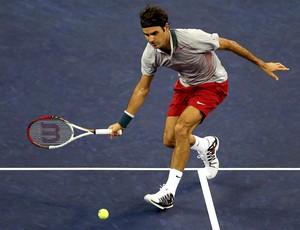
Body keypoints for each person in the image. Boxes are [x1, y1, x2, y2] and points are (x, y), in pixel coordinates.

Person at [108, 5, 289, 210]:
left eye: (154, 33)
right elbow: (142, 89)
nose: (150, 39)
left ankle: (168, 193)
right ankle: (205, 146)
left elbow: (229, 44)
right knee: (170, 140)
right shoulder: (151, 54)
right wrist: (122, 123)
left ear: (166, 28)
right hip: (186, 87)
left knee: (182, 129)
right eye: (146, 35)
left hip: (213, 85)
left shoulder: (192, 38)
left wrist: (262, 64)